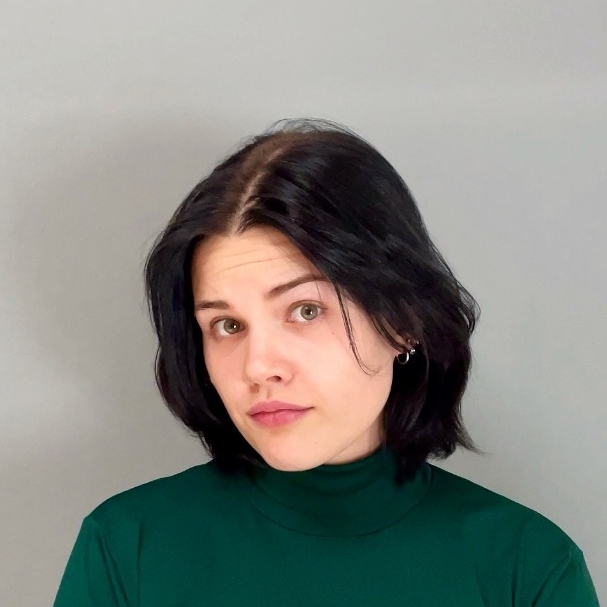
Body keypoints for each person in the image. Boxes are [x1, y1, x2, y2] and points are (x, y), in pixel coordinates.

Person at [53, 118, 600, 606]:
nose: (258, 367)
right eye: (227, 325)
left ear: (403, 319)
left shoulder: (527, 566)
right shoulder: (127, 547)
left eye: (305, 310)